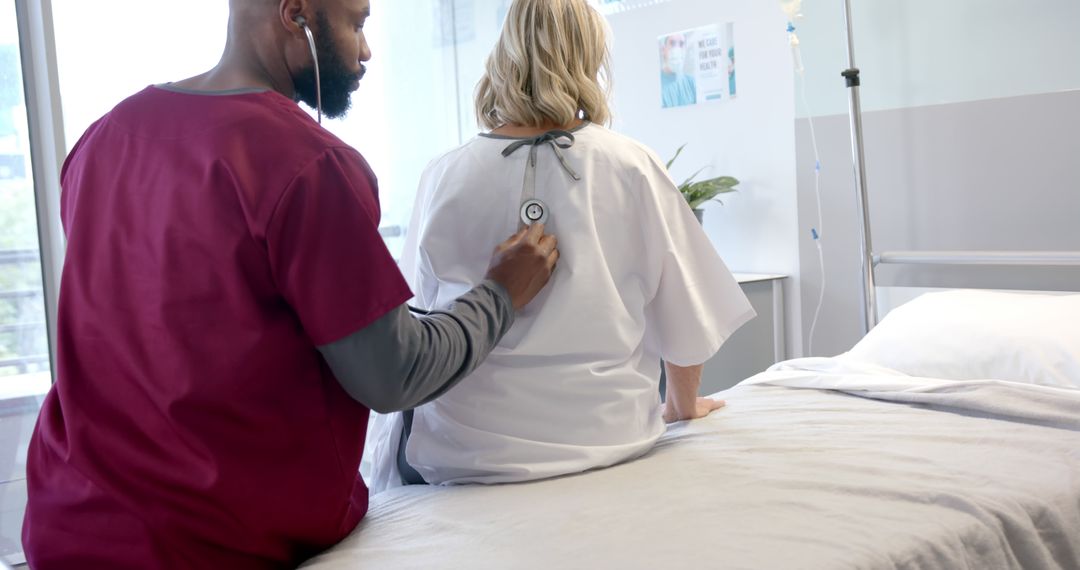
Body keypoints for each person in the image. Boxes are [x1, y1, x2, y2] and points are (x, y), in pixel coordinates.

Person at [21, 0, 559, 568]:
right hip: (206, 545)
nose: (366, 51)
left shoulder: (103, 138)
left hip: (66, 528)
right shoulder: (308, 163)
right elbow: (395, 374)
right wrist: (502, 291)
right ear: (295, 13)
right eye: (357, 24)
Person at [367, 0, 754, 491]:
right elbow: (684, 313)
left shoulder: (446, 174)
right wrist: (682, 407)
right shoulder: (631, 165)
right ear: (588, 56)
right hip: (609, 440)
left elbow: (421, 317)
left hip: (467, 457)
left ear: (505, 53)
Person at [660, 32, 696, 108]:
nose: (677, 49)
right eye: (672, 43)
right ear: (663, 50)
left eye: (681, 44)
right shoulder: (657, 85)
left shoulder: (692, 83)